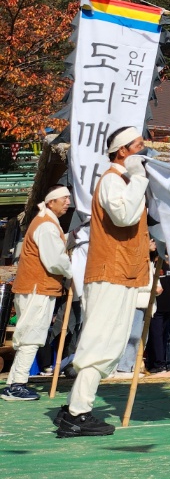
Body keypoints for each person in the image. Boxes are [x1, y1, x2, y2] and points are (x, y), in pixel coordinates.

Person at [58, 127, 150, 437]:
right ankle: (77, 414)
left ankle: (75, 407)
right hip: (111, 271)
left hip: (121, 272)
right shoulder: (113, 179)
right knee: (101, 343)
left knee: (108, 343)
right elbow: (123, 215)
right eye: (139, 145)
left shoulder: (121, 181)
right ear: (124, 150)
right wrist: (138, 178)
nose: (144, 149)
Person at [3, 187, 74, 402]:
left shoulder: (45, 222)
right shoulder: (46, 225)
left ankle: (14, 383)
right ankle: (17, 385)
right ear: (51, 201)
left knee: (27, 336)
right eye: (64, 198)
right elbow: (54, 261)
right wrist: (73, 272)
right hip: (37, 288)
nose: (68, 202)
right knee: (31, 337)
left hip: (34, 287)